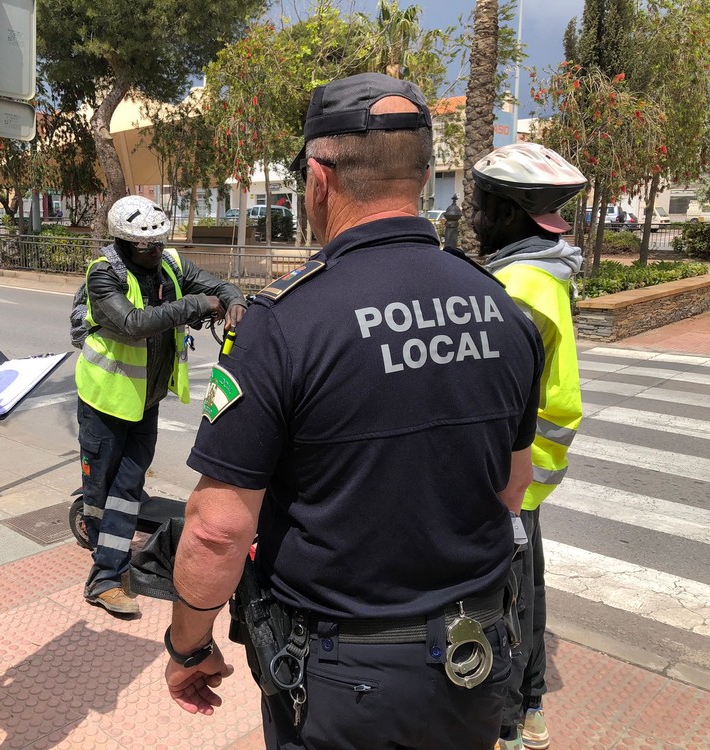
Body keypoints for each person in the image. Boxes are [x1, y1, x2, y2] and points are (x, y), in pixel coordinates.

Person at [162, 72, 545, 750]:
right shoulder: (503, 310)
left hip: (348, 684)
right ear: (426, 175)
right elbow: (513, 489)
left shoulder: (283, 323)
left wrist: (187, 645)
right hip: (478, 659)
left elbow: (218, 530)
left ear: (318, 177)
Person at [76, 194, 246, 616]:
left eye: (158, 243)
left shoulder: (170, 264)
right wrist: (197, 304)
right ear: (124, 241)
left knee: (128, 488)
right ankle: (104, 564)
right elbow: (134, 323)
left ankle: (106, 574)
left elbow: (218, 285)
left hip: (145, 402)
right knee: (101, 492)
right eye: (144, 246)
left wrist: (234, 300)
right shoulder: (103, 275)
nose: (154, 252)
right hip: (104, 400)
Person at [472, 142, 587, 750]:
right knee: (529, 590)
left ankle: (512, 722)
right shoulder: (546, 271)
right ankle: (531, 705)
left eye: (484, 205)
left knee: (508, 601)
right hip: (534, 472)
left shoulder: (514, 286)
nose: (475, 218)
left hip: (508, 474)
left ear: (512, 214)